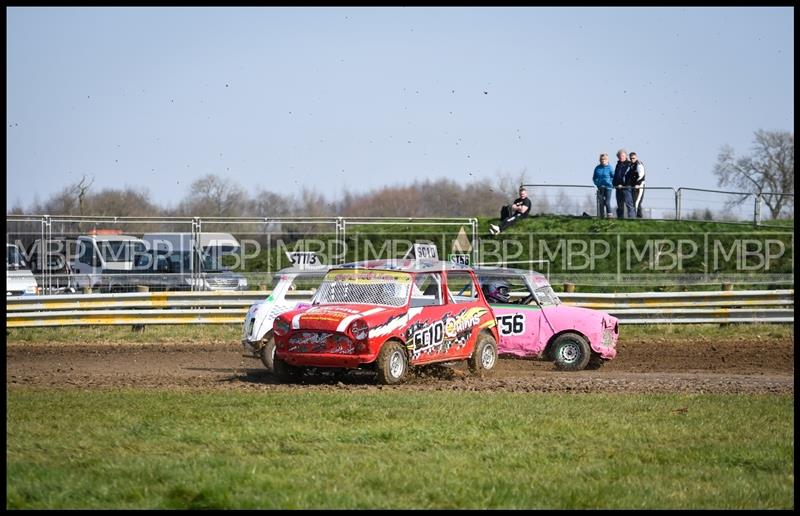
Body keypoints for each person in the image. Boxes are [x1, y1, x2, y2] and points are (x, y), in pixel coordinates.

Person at [592, 153, 614, 218]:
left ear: (607, 160)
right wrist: (597, 184)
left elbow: (613, 177)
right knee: (601, 202)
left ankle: (609, 215)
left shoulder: (610, 168)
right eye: (602, 159)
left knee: (607, 202)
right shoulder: (597, 168)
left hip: (608, 188)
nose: (603, 160)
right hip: (600, 187)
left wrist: (610, 183)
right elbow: (594, 178)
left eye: (604, 159)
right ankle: (602, 215)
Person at [626, 152, 646, 218]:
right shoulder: (631, 165)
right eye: (631, 158)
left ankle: (637, 218)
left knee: (637, 202)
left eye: (633, 158)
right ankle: (638, 217)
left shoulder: (639, 164)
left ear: (636, 157)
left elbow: (641, 175)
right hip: (633, 186)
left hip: (639, 186)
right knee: (634, 202)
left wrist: (638, 184)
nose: (632, 160)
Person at [613, 149, 631, 218]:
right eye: (620, 156)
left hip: (626, 187)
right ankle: (620, 219)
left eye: (623, 156)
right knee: (619, 205)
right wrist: (615, 184)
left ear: (626, 156)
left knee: (629, 204)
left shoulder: (629, 164)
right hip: (618, 188)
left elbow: (629, 176)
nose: (621, 157)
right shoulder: (618, 165)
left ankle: (632, 219)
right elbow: (615, 175)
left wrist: (623, 185)